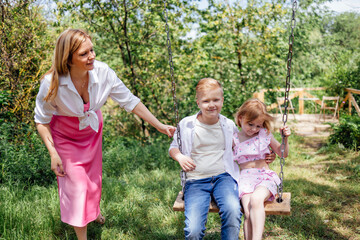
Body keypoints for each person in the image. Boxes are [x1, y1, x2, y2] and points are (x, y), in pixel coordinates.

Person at [34, 29, 176, 240]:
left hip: (91, 131)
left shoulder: (103, 72)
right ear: (68, 58)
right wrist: (53, 153)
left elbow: (130, 101)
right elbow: (41, 121)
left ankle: (93, 211)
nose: (92, 56)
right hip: (64, 136)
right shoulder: (51, 83)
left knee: (92, 181)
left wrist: (158, 125)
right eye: (84, 54)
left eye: (92, 50)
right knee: (77, 186)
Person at [169, 78, 242, 239]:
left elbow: (241, 148)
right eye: (206, 101)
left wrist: (264, 155)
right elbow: (173, 148)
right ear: (198, 103)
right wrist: (180, 157)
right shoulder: (186, 124)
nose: (211, 104)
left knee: (232, 211)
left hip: (224, 177)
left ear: (222, 100)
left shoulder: (228, 125)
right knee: (193, 229)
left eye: (216, 100)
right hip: (196, 180)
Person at [232, 98, 291, 240]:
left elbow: (283, 153)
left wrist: (285, 139)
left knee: (256, 199)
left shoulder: (264, 134)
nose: (254, 129)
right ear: (241, 118)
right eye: (250, 124)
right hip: (245, 179)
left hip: (264, 177)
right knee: (247, 211)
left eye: (258, 126)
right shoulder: (234, 138)